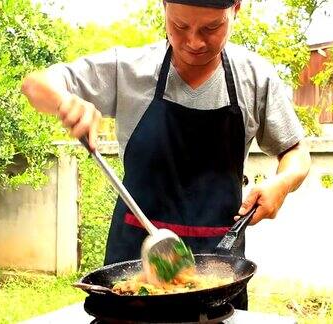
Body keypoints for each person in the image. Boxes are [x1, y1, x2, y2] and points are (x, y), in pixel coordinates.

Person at [21, 0, 311, 310]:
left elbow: (296, 152)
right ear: (164, 8)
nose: (194, 42)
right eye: (180, 26)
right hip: (134, 262)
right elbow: (35, 84)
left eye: (211, 28)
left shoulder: (255, 79)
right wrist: (65, 102)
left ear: (236, 9)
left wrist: (283, 182)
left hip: (218, 269)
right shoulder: (128, 69)